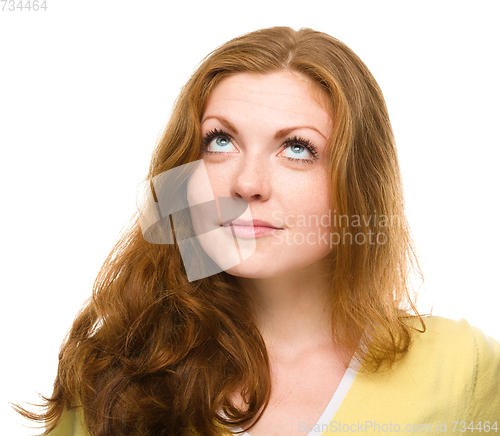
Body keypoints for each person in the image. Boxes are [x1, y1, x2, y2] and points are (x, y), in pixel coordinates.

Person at [16, 26, 500, 436]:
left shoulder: (463, 370)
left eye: (297, 148)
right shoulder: (115, 372)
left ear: (360, 182)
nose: (247, 184)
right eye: (220, 141)